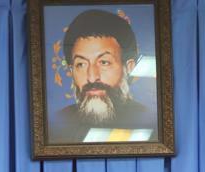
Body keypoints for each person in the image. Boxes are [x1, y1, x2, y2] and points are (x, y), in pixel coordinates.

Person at [48, 9, 157, 143]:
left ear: (129, 67)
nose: (92, 77)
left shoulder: (152, 124)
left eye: (104, 62)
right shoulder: (56, 126)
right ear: (71, 70)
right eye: (81, 64)